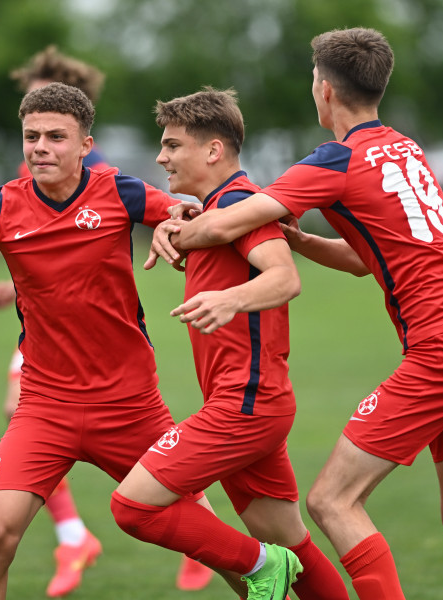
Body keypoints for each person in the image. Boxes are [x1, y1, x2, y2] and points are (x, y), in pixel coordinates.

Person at [147, 27, 443, 600]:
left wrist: (174, 229)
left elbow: (225, 219)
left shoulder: (336, 157)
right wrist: (302, 240)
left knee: (331, 501)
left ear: (324, 91)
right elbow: (368, 260)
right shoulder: (405, 147)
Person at [0, 82, 218, 600]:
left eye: (55, 137)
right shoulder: (1, 205)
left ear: (85, 145)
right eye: (31, 136)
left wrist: (175, 221)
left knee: (209, 538)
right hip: (46, 406)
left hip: (129, 404)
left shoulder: (119, 191)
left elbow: (191, 216)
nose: (40, 147)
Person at [0, 45, 213, 596]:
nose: (38, 135)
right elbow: (38, 249)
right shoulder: (24, 176)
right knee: (20, 417)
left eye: (52, 126)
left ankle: (203, 537)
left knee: (167, 489)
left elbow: (125, 221)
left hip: (109, 364)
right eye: (29, 118)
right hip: (50, 344)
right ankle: (71, 535)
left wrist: (173, 218)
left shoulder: (99, 177)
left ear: (81, 135)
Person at [110, 87, 351, 600]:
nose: (161, 157)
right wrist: (176, 225)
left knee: (131, 506)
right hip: (248, 402)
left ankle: (260, 567)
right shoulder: (217, 210)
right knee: (295, 546)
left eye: (173, 145)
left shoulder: (243, 205)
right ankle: (270, 563)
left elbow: (284, 278)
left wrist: (231, 299)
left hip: (245, 404)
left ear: (213, 150)